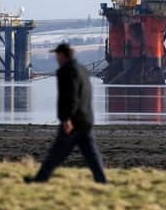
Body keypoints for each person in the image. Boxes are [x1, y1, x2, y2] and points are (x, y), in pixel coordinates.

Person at [24, 43, 107, 184]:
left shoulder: (66, 71)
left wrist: (66, 119)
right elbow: (85, 94)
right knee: (91, 155)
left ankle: (41, 179)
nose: (56, 58)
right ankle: (102, 181)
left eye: (57, 55)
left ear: (63, 55)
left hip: (73, 121)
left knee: (56, 153)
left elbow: (70, 96)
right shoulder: (82, 69)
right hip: (86, 118)